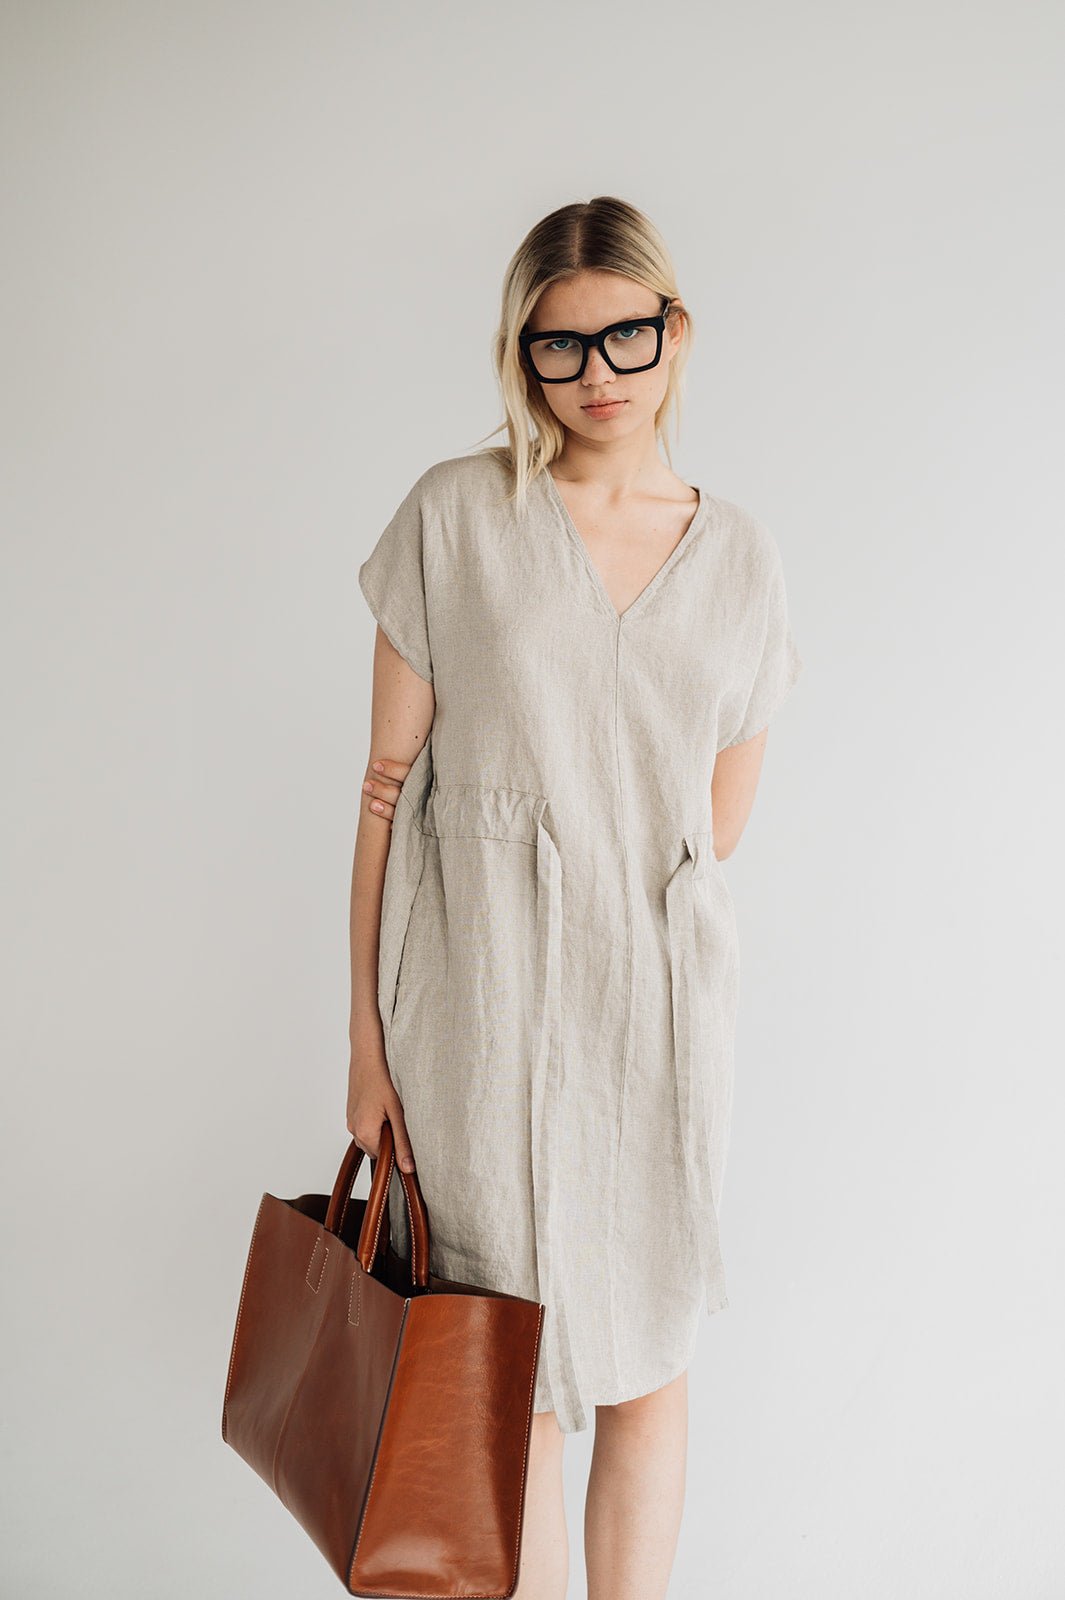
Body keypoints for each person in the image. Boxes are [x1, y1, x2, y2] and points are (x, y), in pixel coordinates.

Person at [346, 195, 803, 1600]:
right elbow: (382, 794)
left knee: (649, 1357)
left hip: (653, 1010)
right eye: (560, 345)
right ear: (520, 355)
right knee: (509, 1359)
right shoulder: (456, 515)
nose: (597, 372)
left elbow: (715, 827)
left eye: (625, 336)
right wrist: (366, 1044)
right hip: (476, 1004)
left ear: (676, 334)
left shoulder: (739, 558)